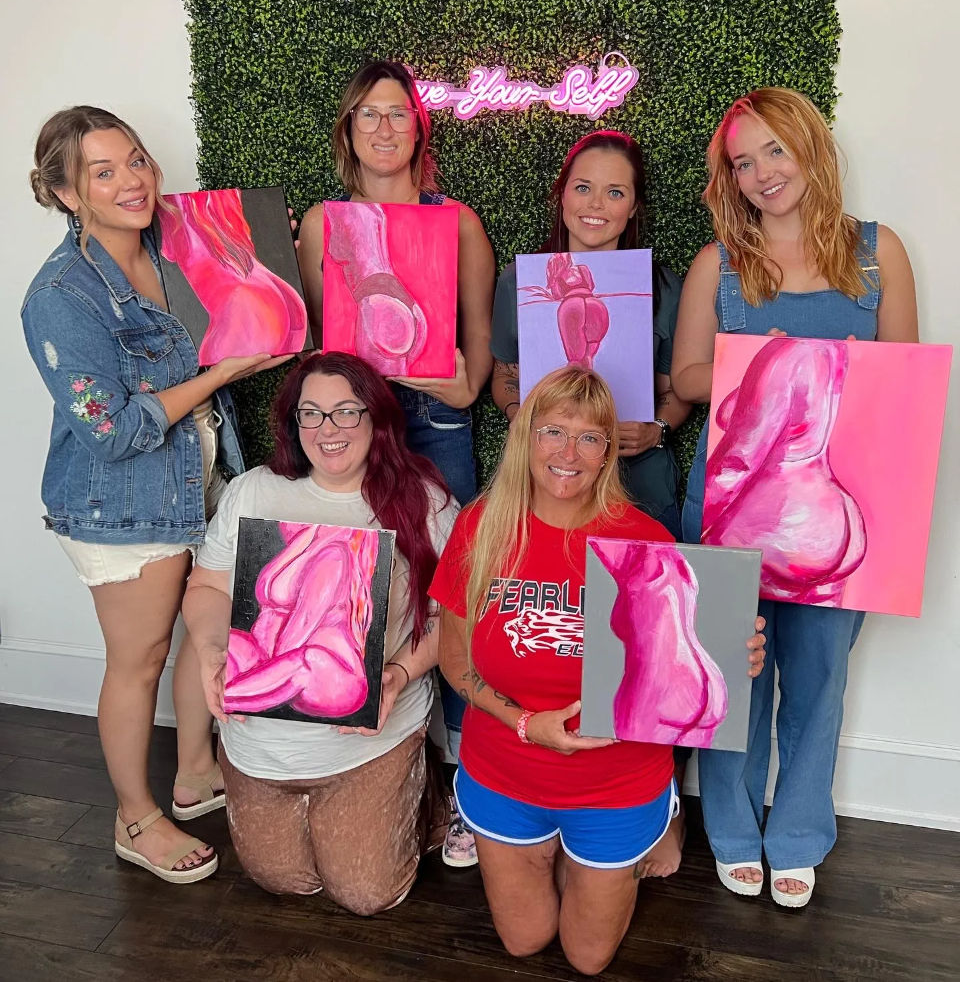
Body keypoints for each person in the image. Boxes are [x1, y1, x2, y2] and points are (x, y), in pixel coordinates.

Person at [21, 106, 288, 883]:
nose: (133, 181)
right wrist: (219, 378)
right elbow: (109, 429)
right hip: (122, 499)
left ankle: (195, 769)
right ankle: (134, 818)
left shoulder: (175, 239)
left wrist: (277, 248)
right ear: (69, 194)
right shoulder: (62, 295)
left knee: (205, 618)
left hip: (199, 472)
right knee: (137, 659)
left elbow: (242, 285)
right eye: (104, 172)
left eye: (135, 160)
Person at [430, 366, 766, 974]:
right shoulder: (480, 528)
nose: (568, 453)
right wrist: (529, 724)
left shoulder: (646, 542)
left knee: (588, 960)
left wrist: (728, 657)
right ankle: (561, 844)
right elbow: (455, 663)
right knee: (524, 942)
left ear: (609, 451)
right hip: (505, 769)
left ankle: (663, 816)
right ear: (525, 436)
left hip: (617, 784)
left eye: (590, 437)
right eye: (553, 431)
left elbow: (683, 672)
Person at [671, 87, 918, 908]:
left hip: (836, 503)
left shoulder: (881, 253)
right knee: (730, 670)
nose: (761, 174)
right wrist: (761, 360)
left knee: (818, 676)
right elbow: (688, 378)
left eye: (773, 151)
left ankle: (801, 830)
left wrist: (831, 366)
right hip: (730, 496)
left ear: (811, 146)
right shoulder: (721, 264)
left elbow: (904, 383)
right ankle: (734, 830)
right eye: (742, 162)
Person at [298, 61, 496, 858]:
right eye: (367, 115)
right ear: (349, 132)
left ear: (420, 128)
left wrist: (441, 379)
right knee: (363, 593)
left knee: (459, 601)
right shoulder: (323, 224)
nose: (384, 127)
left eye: (398, 114)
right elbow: (318, 349)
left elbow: (474, 368)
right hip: (355, 430)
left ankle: (468, 792)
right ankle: (377, 775)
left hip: (438, 427)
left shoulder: (460, 225)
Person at [183, 352, 459, 914]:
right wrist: (213, 649)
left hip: (369, 738)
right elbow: (207, 588)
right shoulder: (256, 491)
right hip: (261, 740)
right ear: (294, 423)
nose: (327, 430)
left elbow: (457, 617)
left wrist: (400, 673)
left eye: (345, 412)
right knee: (285, 879)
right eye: (311, 414)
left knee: (366, 894)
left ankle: (423, 789)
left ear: (377, 419)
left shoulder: (424, 500)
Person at [490, 130, 691, 541]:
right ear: (561, 194)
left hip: (639, 483)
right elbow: (504, 374)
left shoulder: (665, 289)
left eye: (615, 193)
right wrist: (523, 420)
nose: (596, 204)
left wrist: (658, 429)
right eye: (583, 188)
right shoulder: (520, 282)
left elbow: (675, 390)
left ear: (634, 207)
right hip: (548, 478)